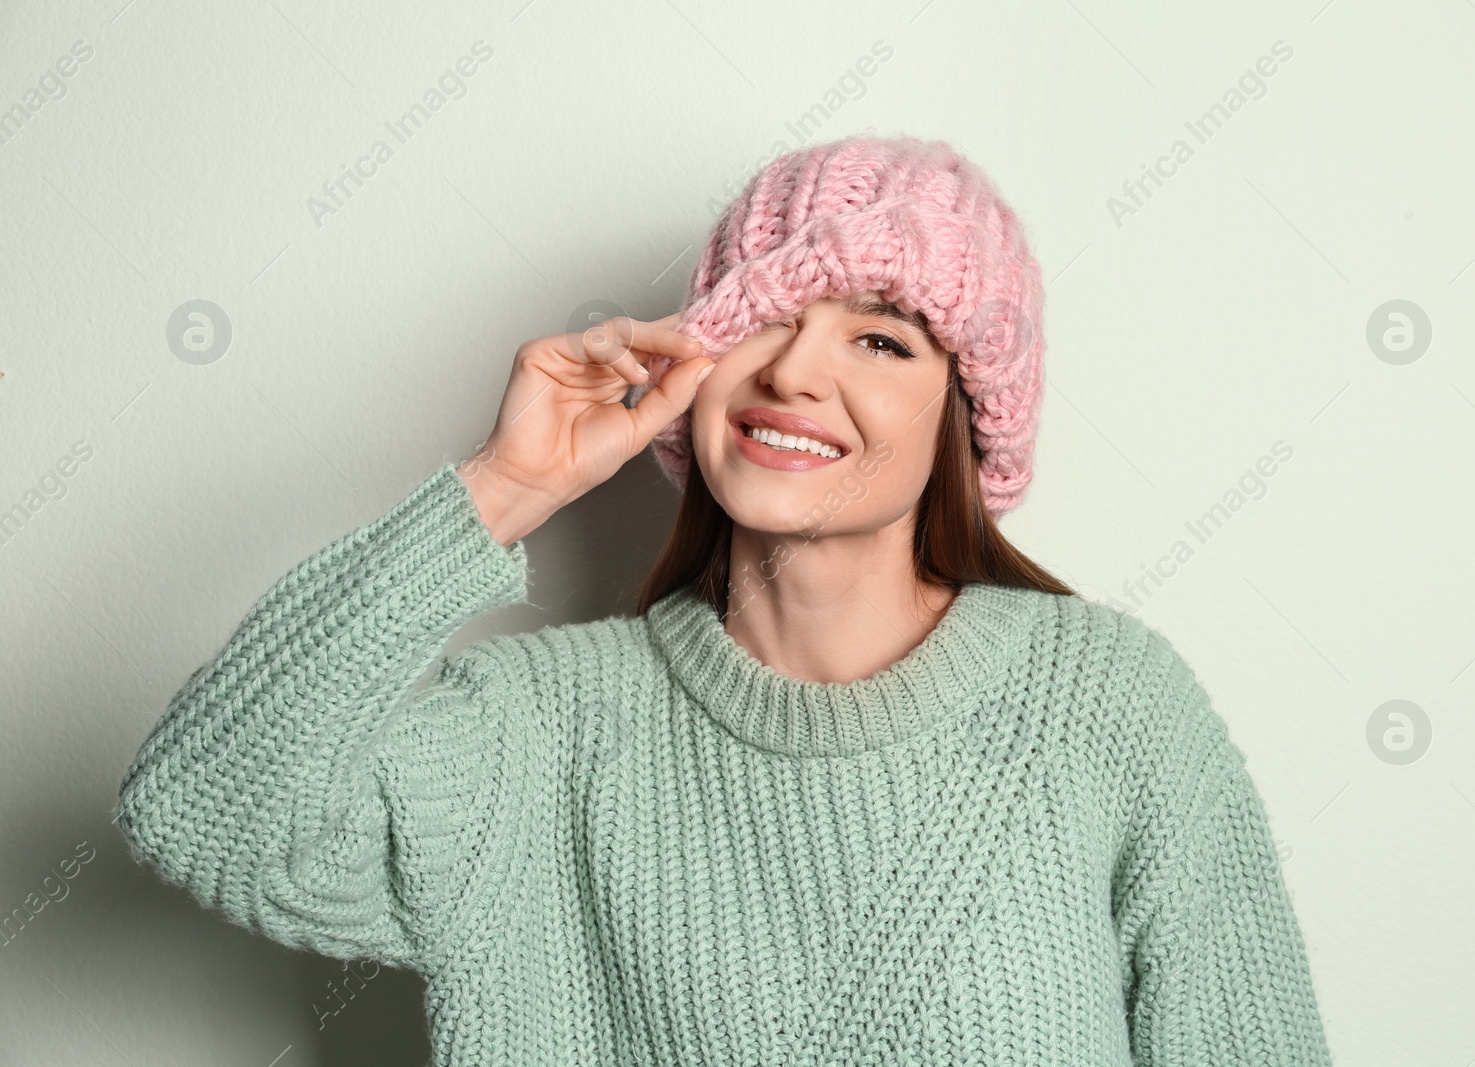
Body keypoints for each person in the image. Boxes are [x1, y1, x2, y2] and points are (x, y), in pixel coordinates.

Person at [115, 134, 1335, 1065]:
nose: (796, 370)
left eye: (883, 340)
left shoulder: (1107, 703)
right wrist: (502, 488)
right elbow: (203, 809)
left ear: (967, 420)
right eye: (761, 318)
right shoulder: (537, 730)